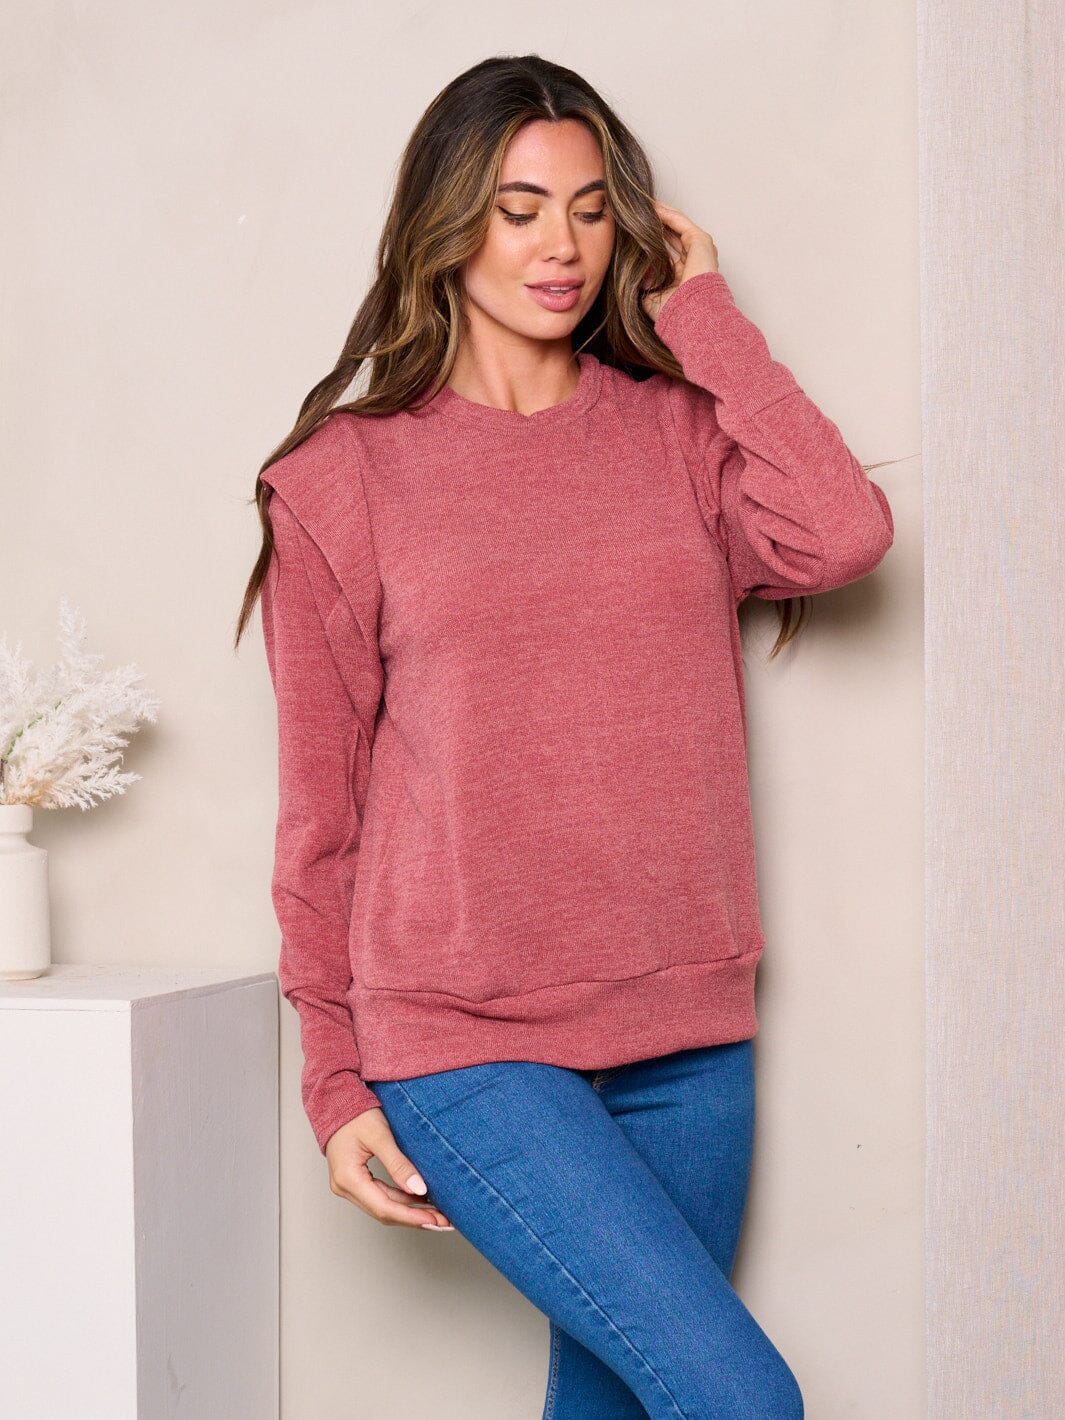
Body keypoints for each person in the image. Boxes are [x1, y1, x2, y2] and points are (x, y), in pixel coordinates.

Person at [236, 53, 897, 1420]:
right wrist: (335, 1078)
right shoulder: (342, 480)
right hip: (465, 1037)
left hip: (686, 1030)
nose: (563, 247)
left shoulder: (677, 438)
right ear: (445, 223)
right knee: (741, 1399)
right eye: (520, 208)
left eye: (593, 210)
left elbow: (842, 536)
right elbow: (321, 815)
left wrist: (707, 321)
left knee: (617, 1405)